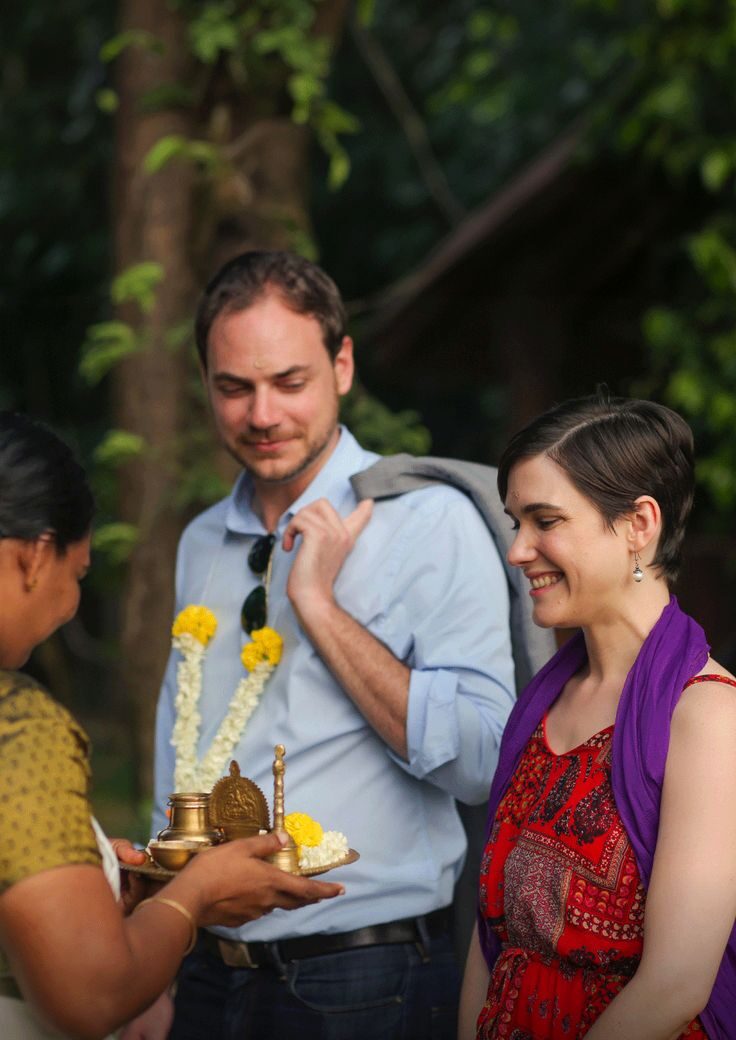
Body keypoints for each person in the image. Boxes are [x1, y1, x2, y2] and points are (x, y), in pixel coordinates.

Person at [127, 249, 522, 1040]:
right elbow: (187, 749)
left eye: (289, 382)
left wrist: (318, 606)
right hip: (203, 965)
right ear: (205, 383)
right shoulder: (201, 539)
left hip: (362, 978)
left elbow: (485, 759)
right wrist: (156, 956)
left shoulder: (428, 519)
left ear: (342, 365)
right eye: (234, 388)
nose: (262, 414)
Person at [0, 411, 343, 1040]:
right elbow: (90, 994)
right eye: (78, 576)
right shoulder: (15, 726)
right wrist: (193, 899)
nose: (73, 602)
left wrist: (95, 884)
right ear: (34, 554)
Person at [459, 394, 736, 1039]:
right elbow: (489, 933)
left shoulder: (707, 716)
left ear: (639, 524)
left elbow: (676, 985)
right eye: (515, 524)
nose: (518, 550)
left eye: (545, 520)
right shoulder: (544, 703)